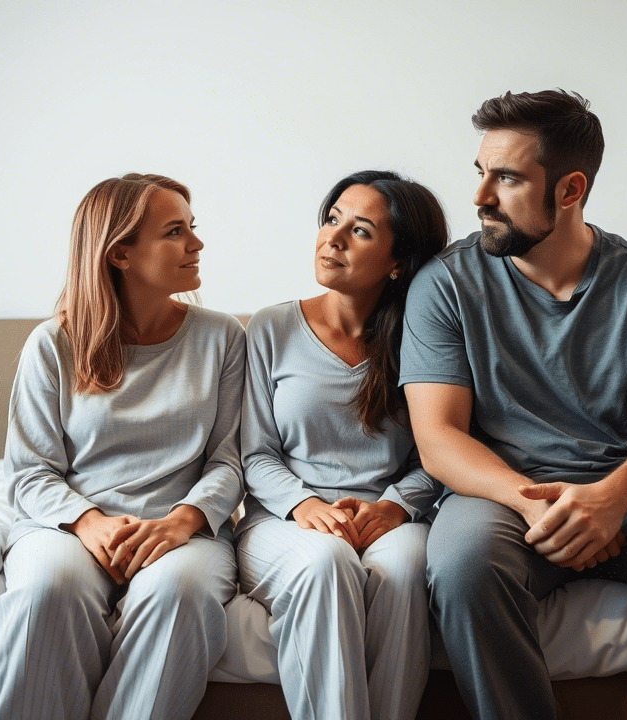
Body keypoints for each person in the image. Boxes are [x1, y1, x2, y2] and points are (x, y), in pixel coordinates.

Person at [400, 91, 627, 720]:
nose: (479, 197)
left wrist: (610, 498)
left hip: (625, 491)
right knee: (463, 563)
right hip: (503, 496)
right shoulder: (445, 284)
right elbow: (439, 438)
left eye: (507, 177)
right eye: (480, 173)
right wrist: (546, 508)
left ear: (570, 189)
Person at [0, 174, 245, 720]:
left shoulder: (223, 338)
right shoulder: (52, 343)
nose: (196, 244)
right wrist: (89, 522)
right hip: (69, 527)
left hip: (181, 530)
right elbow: (30, 472)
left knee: (178, 595)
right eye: (175, 232)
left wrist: (182, 521)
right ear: (120, 252)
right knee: (48, 592)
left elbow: (230, 458)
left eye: (193, 229)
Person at [237, 170, 449, 720]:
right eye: (332, 219)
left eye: (359, 231)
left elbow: (441, 453)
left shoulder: (423, 340)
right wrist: (307, 505)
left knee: (405, 568)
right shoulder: (270, 328)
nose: (331, 238)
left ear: (398, 261)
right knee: (327, 560)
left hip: (386, 517)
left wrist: (395, 506)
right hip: (283, 522)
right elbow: (254, 453)